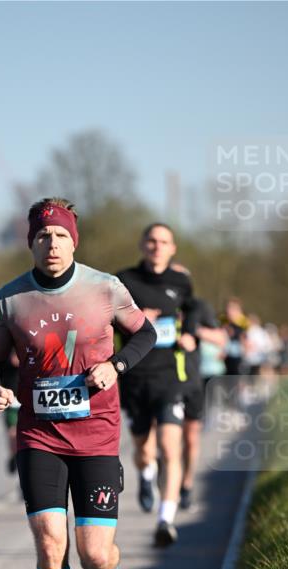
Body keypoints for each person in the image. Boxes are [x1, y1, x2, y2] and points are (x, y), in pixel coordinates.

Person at [0, 198, 157, 569]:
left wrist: (115, 366)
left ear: (72, 241)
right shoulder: (10, 299)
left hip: (97, 435)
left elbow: (146, 335)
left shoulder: (105, 287)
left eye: (59, 236)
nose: (50, 244)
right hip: (39, 436)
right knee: (49, 543)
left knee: (94, 553)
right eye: (41, 236)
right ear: (31, 243)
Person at [116, 223, 195, 545]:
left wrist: (189, 333)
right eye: (151, 240)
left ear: (172, 248)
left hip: (168, 376)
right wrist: (135, 318)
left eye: (164, 241)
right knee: (142, 450)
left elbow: (190, 312)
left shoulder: (181, 281)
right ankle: (146, 475)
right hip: (135, 376)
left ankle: (166, 519)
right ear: (142, 244)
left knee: (169, 447)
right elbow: (107, 321)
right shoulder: (124, 281)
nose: (157, 246)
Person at [178, 296, 227, 510]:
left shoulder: (198, 307)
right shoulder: (151, 302)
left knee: (190, 438)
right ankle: (158, 474)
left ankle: (186, 485)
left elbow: (221, 338)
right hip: (161, 383)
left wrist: (195, 331)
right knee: (166, 440)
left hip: (192, 382)